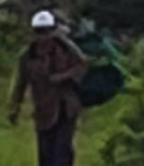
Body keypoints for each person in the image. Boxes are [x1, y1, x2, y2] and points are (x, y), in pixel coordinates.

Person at [8, 9, 88, 166]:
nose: (43, 36)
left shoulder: (66, 49)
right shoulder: (28, 56)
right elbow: (20, 83)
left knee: (62, 152)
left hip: (65, 107)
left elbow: (82, 64)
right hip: (43, 109)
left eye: (47, 31)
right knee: (45, 154)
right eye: (39, 32)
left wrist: (63, 76)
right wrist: (14, 107)